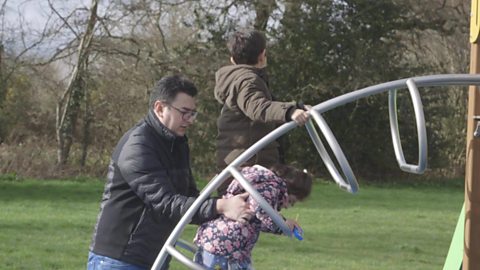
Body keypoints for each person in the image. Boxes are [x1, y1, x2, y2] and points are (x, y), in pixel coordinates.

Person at [87, 75, 254, 270]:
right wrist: (221, 206)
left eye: (193, 114)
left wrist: (233, 204)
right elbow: (165, 203)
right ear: (159, 108)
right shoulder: (138, 145)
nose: (190, 120)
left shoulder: (177, 143)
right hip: (119, 260)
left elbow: (189, 198)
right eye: (184, 112)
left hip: (155, 258)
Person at [214, 29, 311, 194]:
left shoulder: (239, 79)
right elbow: (259, 108)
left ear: (232, 59)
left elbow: (264, 108)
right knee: (258, 211)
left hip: (243, 165)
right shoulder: (247, 81)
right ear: (262, 55)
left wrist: (297, 107)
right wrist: (289, 112)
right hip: (248, 168)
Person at [193, 164, 313, 270]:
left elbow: (257, 219)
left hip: (226, 245)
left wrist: (283, 225)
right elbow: (261, 210)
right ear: (288, 189)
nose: (287, 206)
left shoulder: (264, 185)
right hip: (224, 245)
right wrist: (283, 224)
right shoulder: (271, 187)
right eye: (291, 201)